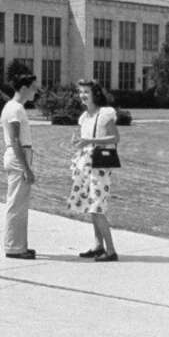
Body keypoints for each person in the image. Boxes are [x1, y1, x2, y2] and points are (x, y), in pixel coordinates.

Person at [67, 79, 120, 262]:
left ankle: (111, 251)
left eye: (86, 92)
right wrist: (79, 142)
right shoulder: (85, 117)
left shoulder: (105, 113)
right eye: (80, 92)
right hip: (87, 164)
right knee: (92, 206)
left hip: (100, 165)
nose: (82, 95)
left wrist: (89, 141)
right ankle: (99, 246)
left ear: (95, 94)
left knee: (97, 207)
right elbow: (83, 138)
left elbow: (115, 138)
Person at [1, 73, 39, 259]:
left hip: (20, 155)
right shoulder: (15, 109)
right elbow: (15, 140)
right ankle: (14, 247)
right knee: (16, 204)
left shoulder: (16, 108)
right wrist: (26, 169)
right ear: (23, 88)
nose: (35, 91)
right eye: (33, 87)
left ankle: (19, 245)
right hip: (18, 157)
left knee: (20, 204)